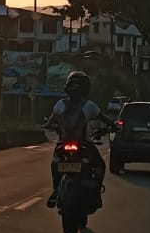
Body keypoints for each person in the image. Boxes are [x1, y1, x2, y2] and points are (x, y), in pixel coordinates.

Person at [44, 70, 110, 208]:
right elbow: (104, 119)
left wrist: (50, 126)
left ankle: (55, 190)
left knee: (55, 162)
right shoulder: (89, 106)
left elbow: (50, 123)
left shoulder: (61, 104)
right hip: (84, 144)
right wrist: (113, 126)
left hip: (64, 144)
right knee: (99, 165)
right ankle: (97, 194)